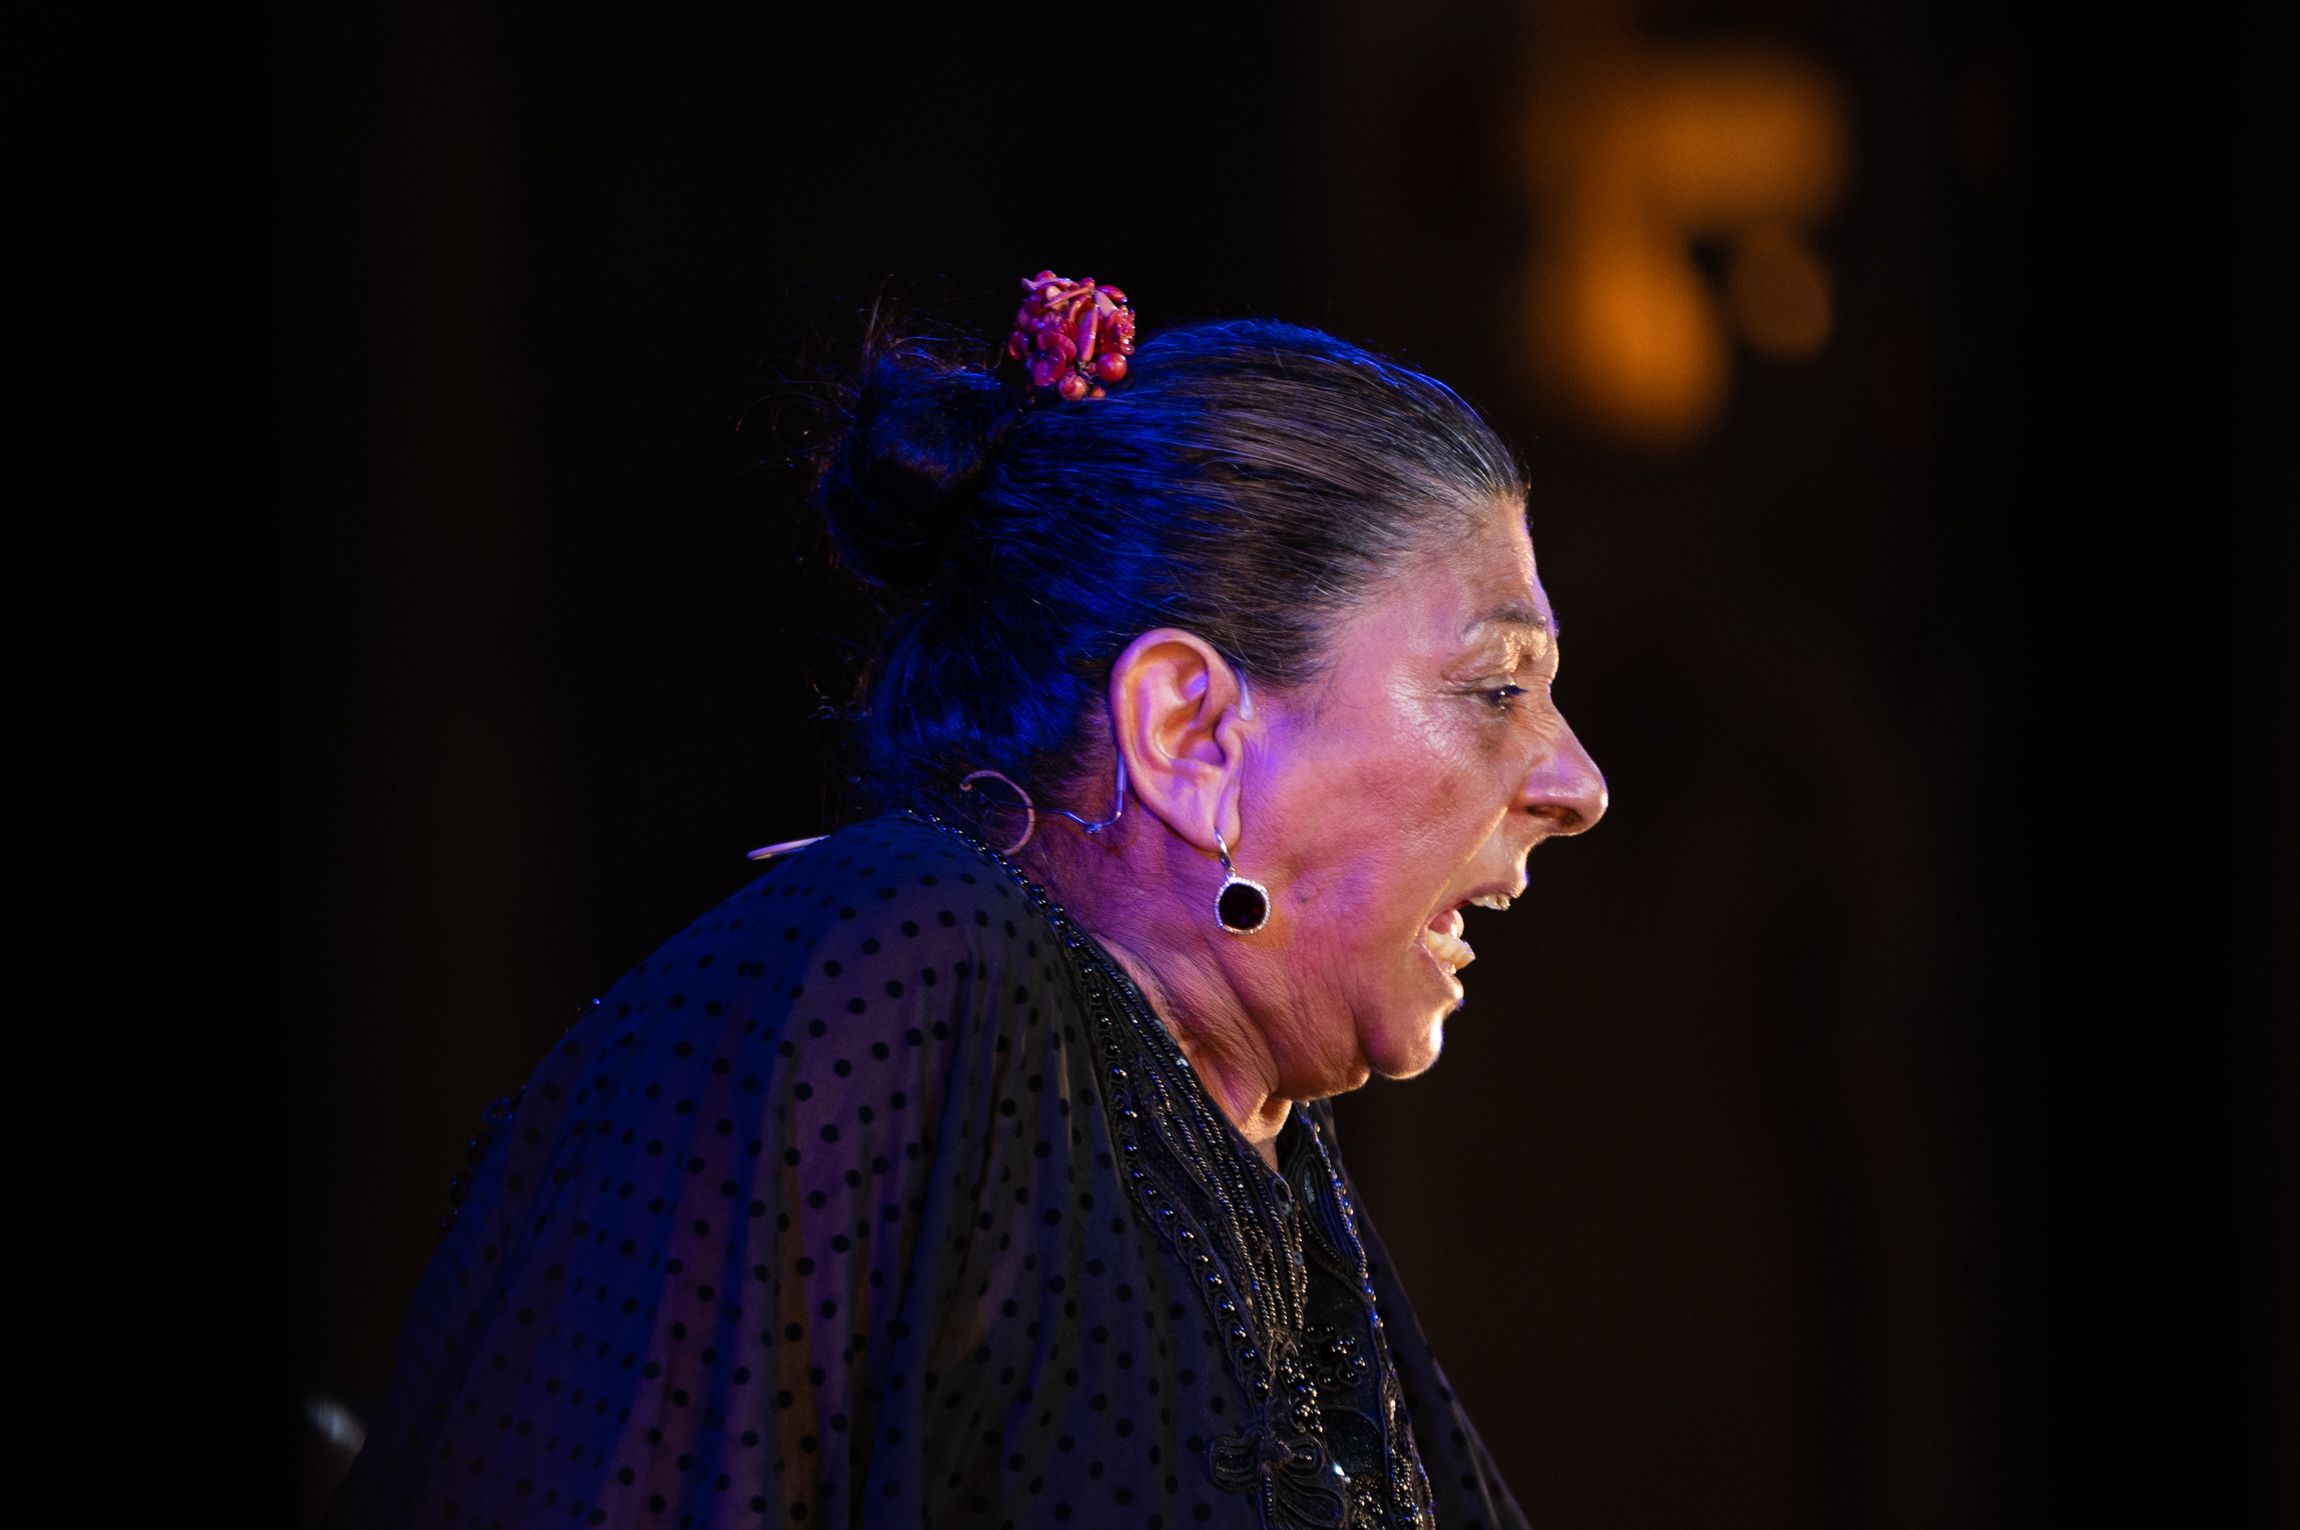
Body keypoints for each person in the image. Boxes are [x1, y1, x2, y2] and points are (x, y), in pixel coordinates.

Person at [324, 271, 1607, 1530]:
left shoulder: (1251, 1161)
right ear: (1189, 731)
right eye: (1497, 687)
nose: (1576, 781)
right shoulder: (908, 962)